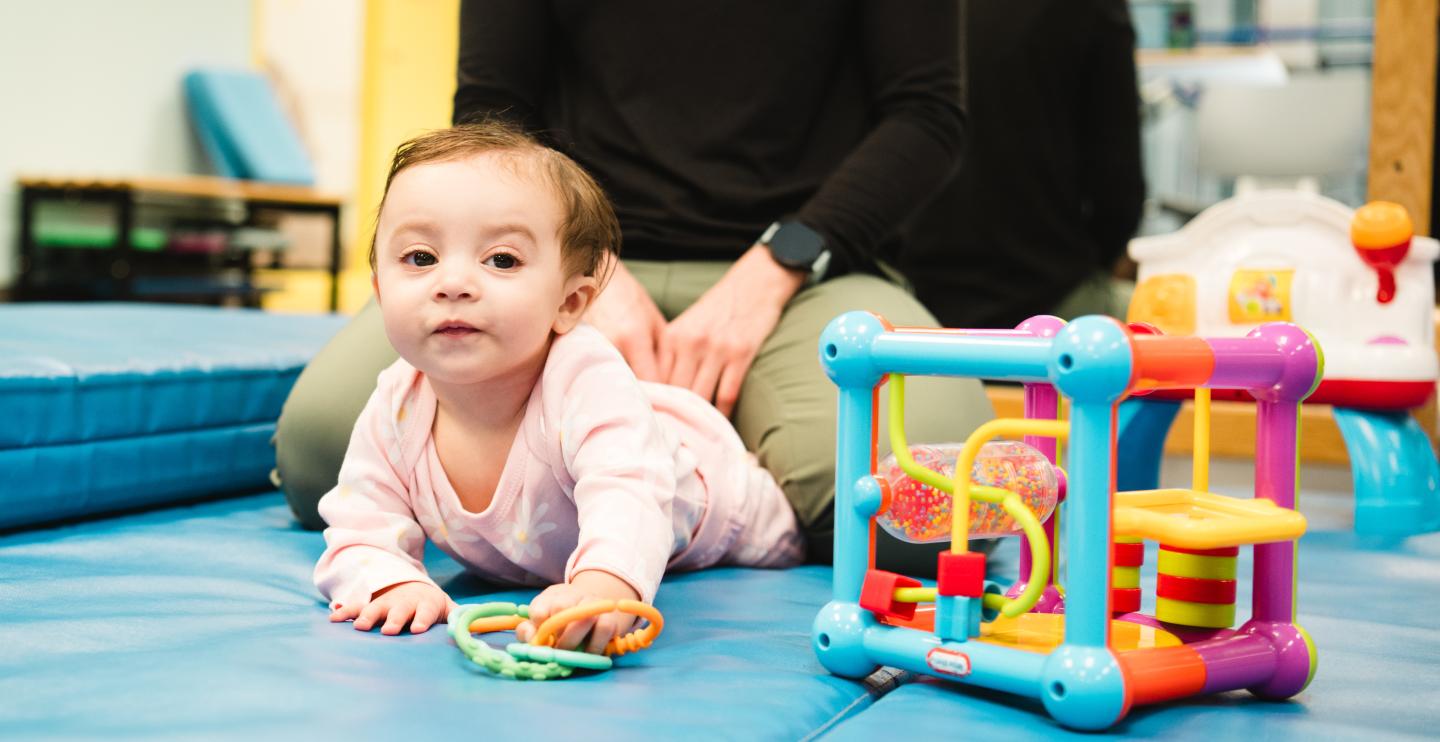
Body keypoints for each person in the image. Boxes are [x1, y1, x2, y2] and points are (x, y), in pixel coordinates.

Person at [275, 0, 994, 568]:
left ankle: (700, 452)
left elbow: (927, 117)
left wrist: (779, 266)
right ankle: (669, 422)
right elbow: (496, 107)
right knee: (319, 450)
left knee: (917, 511)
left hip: (804, 267)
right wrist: (584, 272)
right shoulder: (570, 281)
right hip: (553, 263)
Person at [316, 122, 803, 644]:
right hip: (534, 555)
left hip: (717, 501)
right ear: (380, 291)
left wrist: (603, 583)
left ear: (569, 303)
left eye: (501, 260)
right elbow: (359, 523)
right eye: (421, 258)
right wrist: (389, 581)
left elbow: (629, 493)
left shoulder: (583, 378)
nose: (452, 284)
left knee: (815, 529)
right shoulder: (398, 403)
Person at [897, 0, 1145, 329]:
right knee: (1184, 329)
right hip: (1051, 298)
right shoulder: (1092, 9)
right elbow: (1119, 189)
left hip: (909, 306)